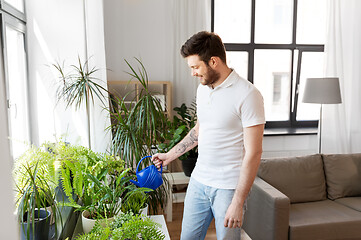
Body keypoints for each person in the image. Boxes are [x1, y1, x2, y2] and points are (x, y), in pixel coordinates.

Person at [152, 31, 265, 240]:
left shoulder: (248, 95)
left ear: (213, 61)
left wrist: (238, 202)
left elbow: (254, 152)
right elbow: (199, 131)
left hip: (229, 189)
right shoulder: (203, 89)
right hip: (198, 182)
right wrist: (169, 155)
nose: (193, 73)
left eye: (195, 67)